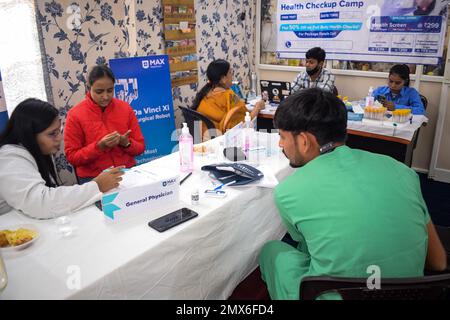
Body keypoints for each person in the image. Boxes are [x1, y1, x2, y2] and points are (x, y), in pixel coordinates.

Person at [259, 88, 447, 300]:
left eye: (282, 137)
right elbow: (438, 261)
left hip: (335, 293)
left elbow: (307, 247)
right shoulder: (403, 172)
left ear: (304, 141)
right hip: (413, 293)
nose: (280, 144)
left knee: (272, 251)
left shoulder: (287, 191)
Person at [0, 98, 124, 218]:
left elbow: (51, 193)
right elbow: (41, 204)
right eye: (52, 133)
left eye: (59, 131)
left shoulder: (37, 151)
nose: (60, 138)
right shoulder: (10, 158)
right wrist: (96, 185)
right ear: (29, 134)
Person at [64, 65, 145, 183]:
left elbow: (140, 147)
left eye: (110, 90)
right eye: (99, 92)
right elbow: (72, 157)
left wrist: (126, 143)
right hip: (94, 179)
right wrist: (99, 147)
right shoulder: (75, 115)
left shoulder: (125, 108)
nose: (105, 96)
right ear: (88, 88)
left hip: (126, 173)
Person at [192, 59, 265, 132]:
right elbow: (245, 123)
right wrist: (257, 107)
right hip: (221, 138)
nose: (232, 75)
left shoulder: (205, 93)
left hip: (204, 138)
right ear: (223, 79)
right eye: (230, 72)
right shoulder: (229, 95)